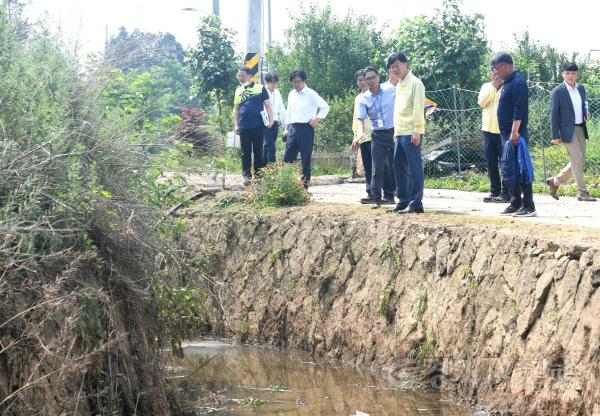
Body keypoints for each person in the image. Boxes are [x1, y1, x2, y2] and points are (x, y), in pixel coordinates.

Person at [492, 52, 536, 217]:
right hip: (507, 135)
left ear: (505, 66)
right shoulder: (507, 83)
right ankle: (515, 202)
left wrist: (515, 131)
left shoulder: (518, 82)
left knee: (521, 169)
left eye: (496, 69)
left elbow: (519, 108)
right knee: (510, 169)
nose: (495, 73)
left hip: (515, 134)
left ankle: (529, 205)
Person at [546, 62, 596, 202]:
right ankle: (582, 192)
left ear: (577, 74)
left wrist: (588, 114)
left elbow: (584, 107)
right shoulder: (558, 91)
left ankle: (555, 182)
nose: (570, 76)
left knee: (578, 160)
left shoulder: (581, 88)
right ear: (563, 74)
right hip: (567, 131)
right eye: (567, 73)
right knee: (577, 160)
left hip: (581, 127)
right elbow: (553, 114)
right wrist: (555, 135)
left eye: (573, 73)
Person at [356, 66, 397, 209]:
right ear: (365, 82)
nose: (371, 80)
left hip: (394, 132)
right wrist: (360, 132)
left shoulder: (391, 90)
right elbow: (360, 118)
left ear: (378, 77)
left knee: (396, 164)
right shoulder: (364, 98)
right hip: (377, 135)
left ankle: (395, 196)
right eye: (368, 79)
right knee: (376, 167)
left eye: (373, 77)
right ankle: (376, 199)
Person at [391, 52, 426, 214]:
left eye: (397, 65)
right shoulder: (399, 84)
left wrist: (417, 130)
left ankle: (416, 202)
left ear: (405, 64)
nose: (395, 69)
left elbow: (418, 109)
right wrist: (396, 131)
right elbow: (398, 110)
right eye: (392, 67)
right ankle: (403, 200)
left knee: (414, 168)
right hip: (400, 133)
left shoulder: (416, 83)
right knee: (398, 167)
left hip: (412, 132)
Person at [283, 70, 329, 188]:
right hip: (293, 127)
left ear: (303, 81)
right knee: (288, 156)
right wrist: (286, 128)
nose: (296, 84)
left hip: (306, 128)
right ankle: (287, 182)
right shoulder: (291, 94)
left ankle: (305, 183)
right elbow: (289, 112)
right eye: (294, 82)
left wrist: (317, 119)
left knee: (305, 156)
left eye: (298, 81)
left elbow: (325, 107)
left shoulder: (311, 93)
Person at [233, 67, 273, 185]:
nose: (240, 78)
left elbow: (268, 105)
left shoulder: (260, 88)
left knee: (258, 151)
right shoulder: (238, 90)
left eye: (242, 75)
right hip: (244, 126)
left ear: (250, 75)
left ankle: (258, 175)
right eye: (239, 75)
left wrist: (271, 120)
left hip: (258, 126)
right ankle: (246, 176)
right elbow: (236, 110)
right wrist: (236, 125)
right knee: (245, 152)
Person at [478, 71, 509, 203]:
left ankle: (506, 192)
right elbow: (481, 102)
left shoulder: (508, 87)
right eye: (493, 73)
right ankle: (494, 191)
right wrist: (493, 87)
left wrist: (499, 86)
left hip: (503, 132)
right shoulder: (486, 86)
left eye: (498, 73)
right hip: (488, 130)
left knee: (505, 163)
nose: (496, 75)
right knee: (491, 162)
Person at [351, 69, 374, 203]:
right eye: (359, 80)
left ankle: (386, 192)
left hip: (375, 135)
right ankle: (370, 192)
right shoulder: (358, 98)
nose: (362, 82)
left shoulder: (374, 94)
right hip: (363, 136)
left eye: (364, 79)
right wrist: (355, 136)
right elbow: (356, 118)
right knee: (367, 165)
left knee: (380, 165)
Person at [263, 73, 286, 165]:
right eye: (272, 83)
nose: (274, 85)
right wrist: (267, 121)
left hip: (275, 122)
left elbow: (282, 109)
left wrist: (285, 126)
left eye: (275, 83)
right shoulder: (262, 91)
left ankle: (263, 168)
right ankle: (273, 170)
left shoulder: (277, 92)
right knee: (271, 146)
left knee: (267, 146)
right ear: (266, 82)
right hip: (265, 122)